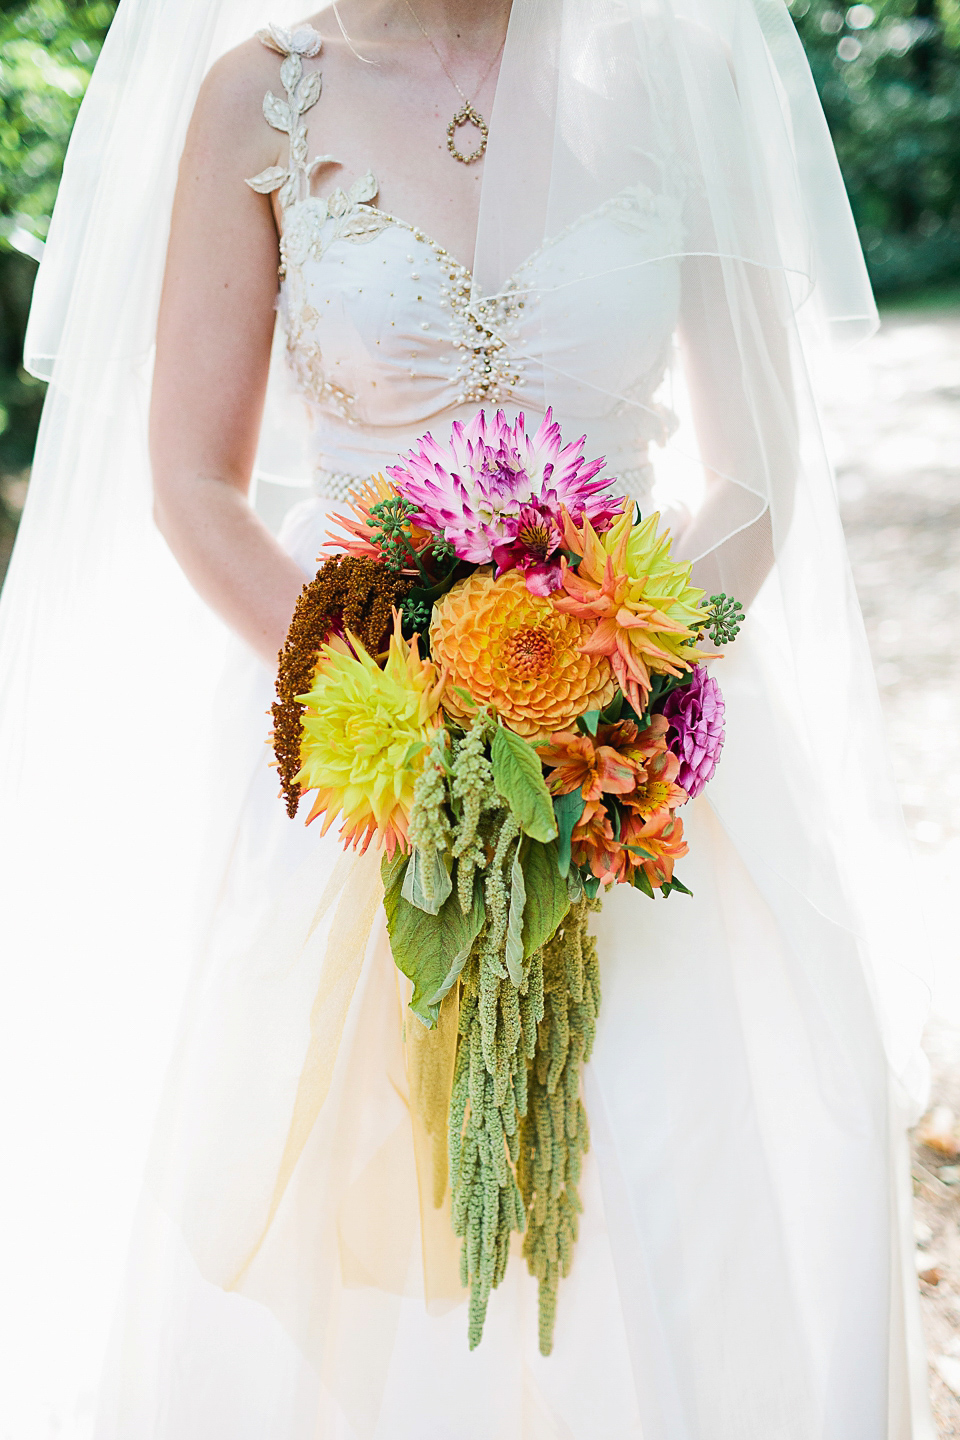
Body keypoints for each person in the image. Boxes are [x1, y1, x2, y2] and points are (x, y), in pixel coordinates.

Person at [0, 0, 936, 1436]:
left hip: (631, 740)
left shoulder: (672, 79)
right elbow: (192, 479)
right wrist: (389, 702)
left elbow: (755, 478)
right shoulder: (261, 100)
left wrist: (621, 666)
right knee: (368, 1246)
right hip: (354, 749)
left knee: (671, 1185)